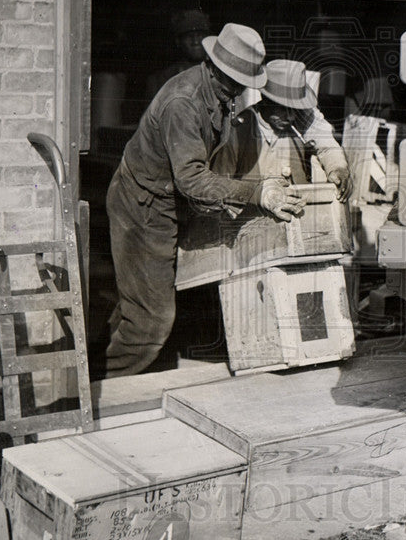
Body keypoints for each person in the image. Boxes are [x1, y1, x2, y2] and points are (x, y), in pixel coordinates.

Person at [104, 23, 305, 378]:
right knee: (153, 321)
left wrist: (234, 191)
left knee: (137, 303)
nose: (241, 90)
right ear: (215, 68)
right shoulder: (183, 102)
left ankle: (94, 370)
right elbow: (192, 178)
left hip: (168, 199)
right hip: (144, 206)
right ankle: (108, 392)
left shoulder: (220, 92)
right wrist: (256, 193)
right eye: (236, 81)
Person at [220, 59, 353, 201]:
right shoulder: (241, 127)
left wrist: (338, 168)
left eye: (294, 109)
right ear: (265, 99)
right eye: (283, 108)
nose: (290, 117)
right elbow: (221, 180)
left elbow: (326, 146)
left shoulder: (302, 115)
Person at [145, 8, 212, 101]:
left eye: (200, 35)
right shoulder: (160, 81)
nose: (195, 41)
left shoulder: (220, 76)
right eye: (189, 36)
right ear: (178, 42)